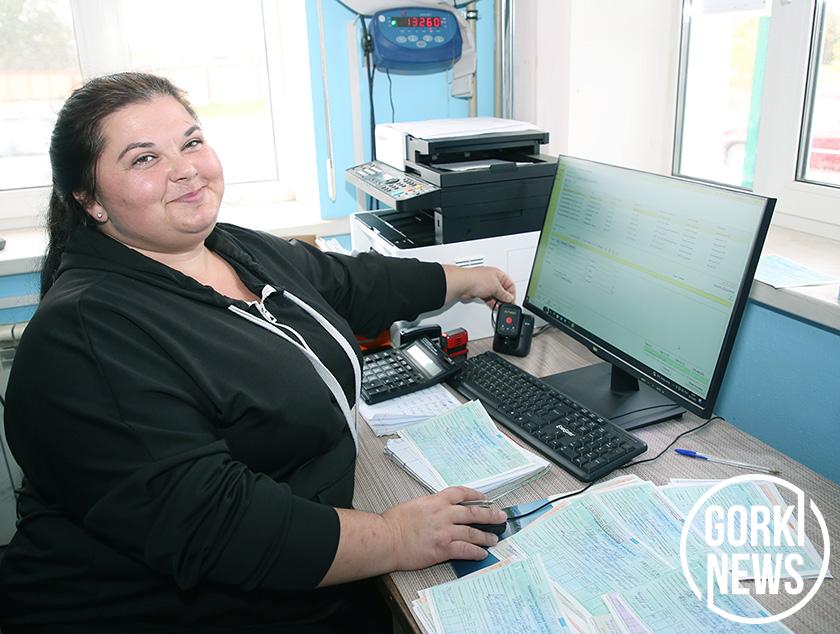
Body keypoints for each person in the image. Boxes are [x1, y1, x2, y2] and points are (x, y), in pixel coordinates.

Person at [0, 72, 514, 633]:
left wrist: (467, 279)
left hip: (298, 576)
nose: (185, 169)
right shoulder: (85, 334)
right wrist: (395, 536)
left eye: (191, 142)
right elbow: (220, 526)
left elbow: (348, 283)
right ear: (90, 200)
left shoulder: (230, 247)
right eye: (145, 159)